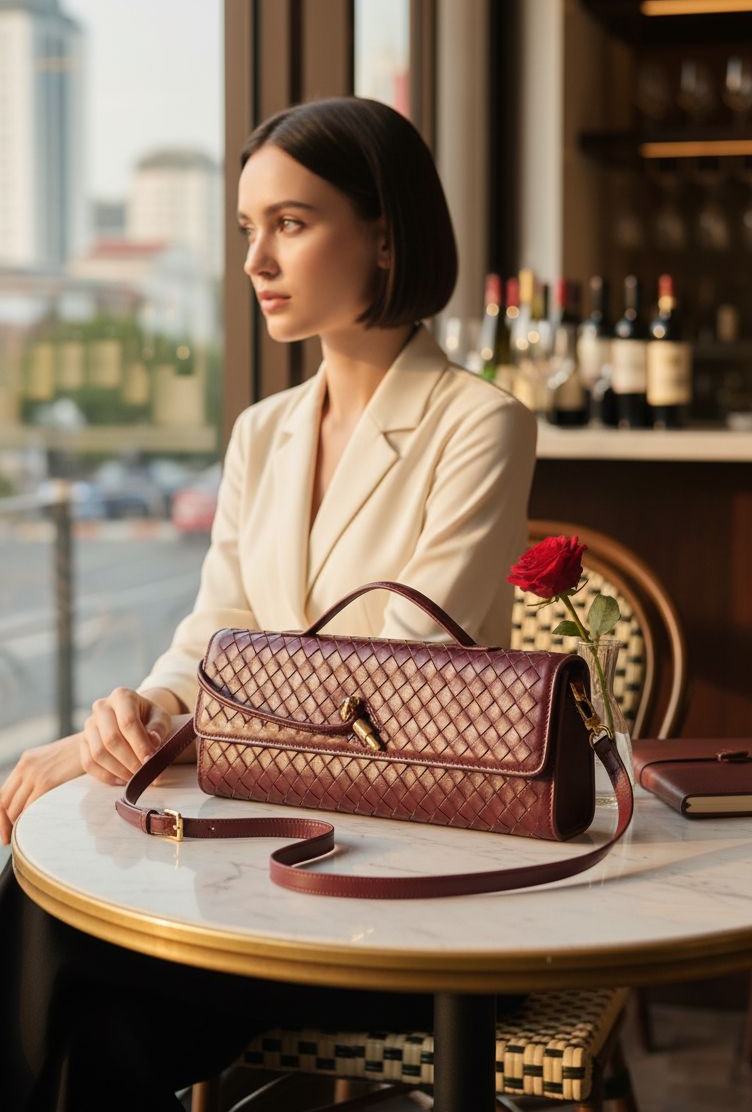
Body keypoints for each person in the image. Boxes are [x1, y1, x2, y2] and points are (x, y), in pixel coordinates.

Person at [0, 96, 538, 1109]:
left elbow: (395, 692)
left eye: (289, 224)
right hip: (257, 859)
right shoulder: (263, 431)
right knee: (75, 1005)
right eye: (249, 230)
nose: (255, 261)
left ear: (383, 235)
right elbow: (212, 634)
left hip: (402, 890)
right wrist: (141, 713)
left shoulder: (480, 426)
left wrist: (141, 745)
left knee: (57, 962)